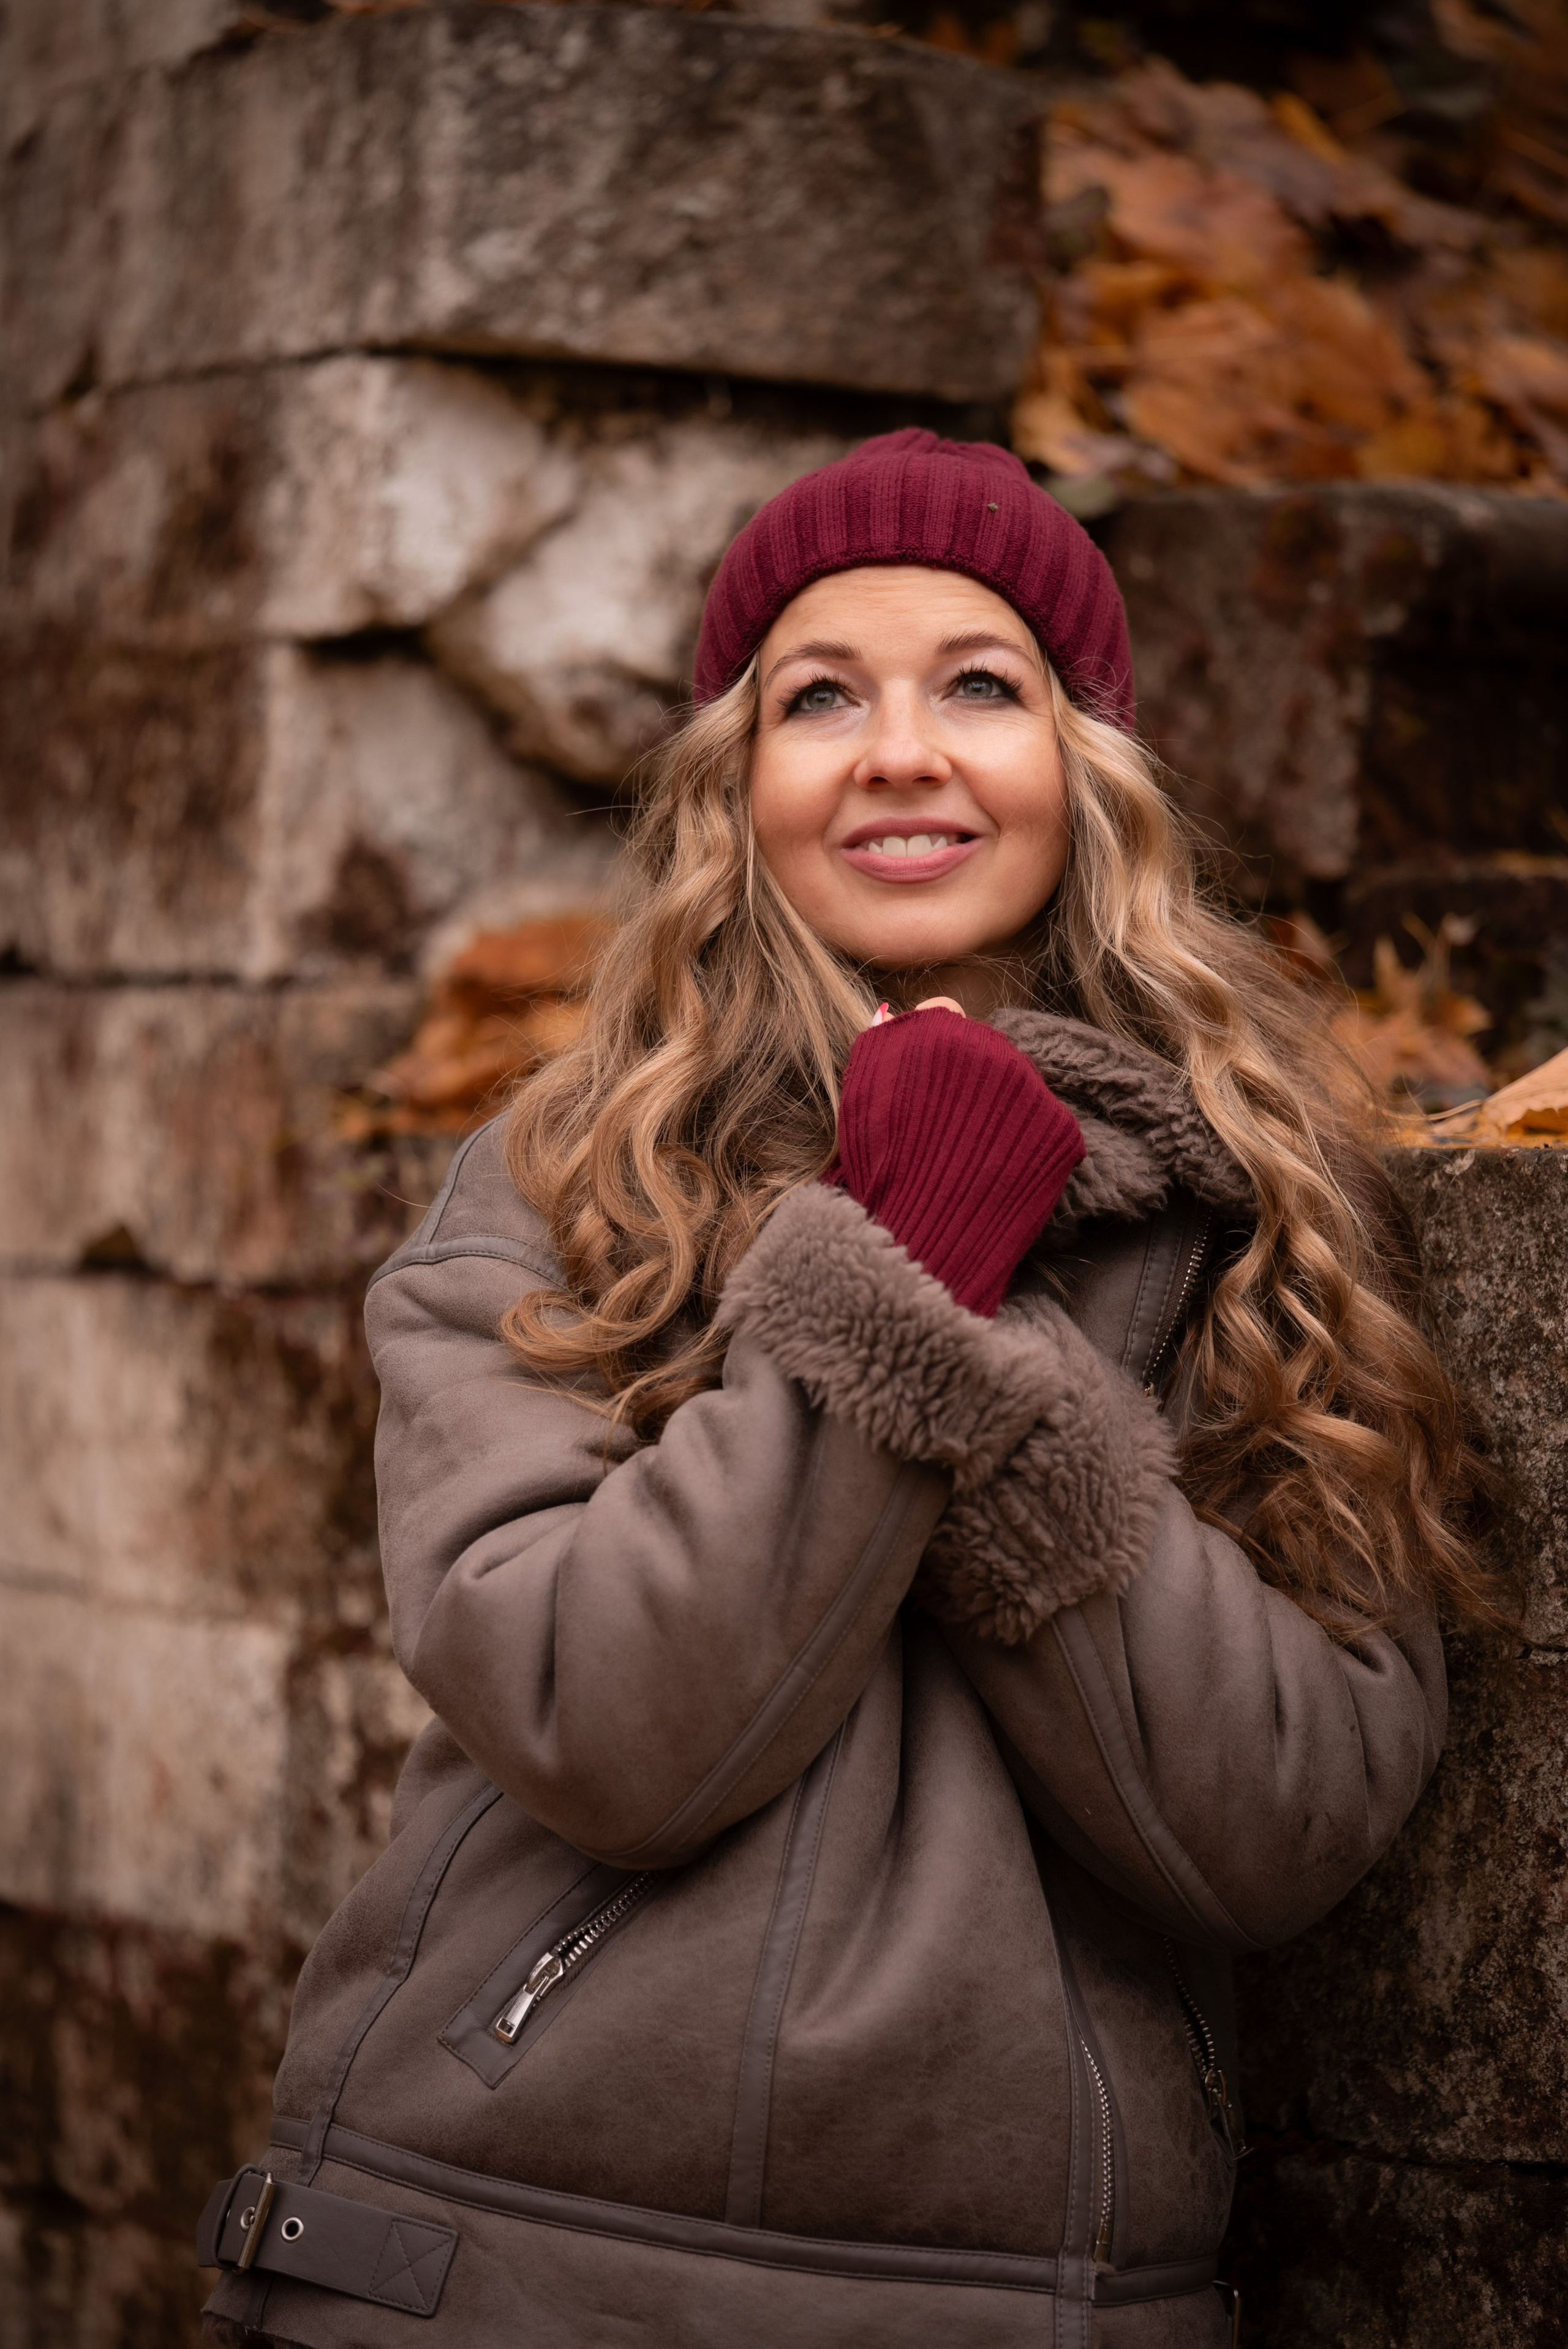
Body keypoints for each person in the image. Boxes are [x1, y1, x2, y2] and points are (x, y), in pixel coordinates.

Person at [200, 431, 1490, 2349]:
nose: (900, 749)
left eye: (981, 683)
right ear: (741, 794)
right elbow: (602, 1717)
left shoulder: (1273, 1215)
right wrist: (890, 1245)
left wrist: (957, 1303)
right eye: (821, 696)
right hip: (482, 2253)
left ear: (1089, 773)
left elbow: (1277, 1820)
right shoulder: (566, 1182)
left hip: (1018, 2304)